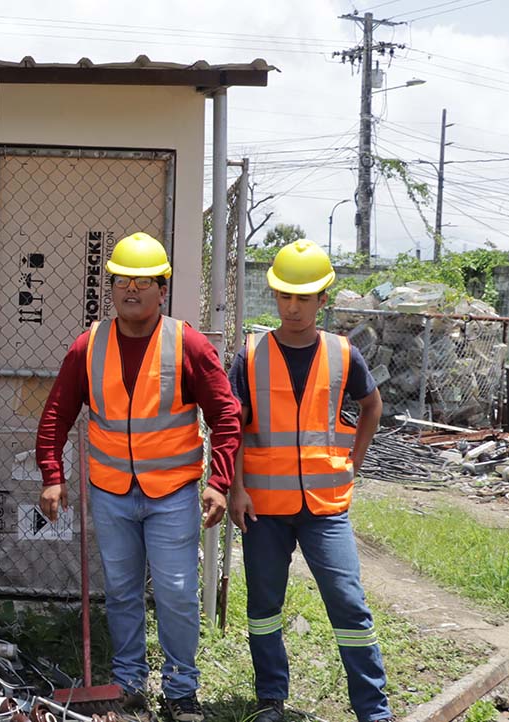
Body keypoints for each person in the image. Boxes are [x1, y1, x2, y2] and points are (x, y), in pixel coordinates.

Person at [36, 233, 241, 722]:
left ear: (161, 288)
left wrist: (219, 480)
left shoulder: (186, 342)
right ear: (111, 287)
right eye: (122, 280)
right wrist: (52, 473)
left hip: (171, 494)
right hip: (111, 493)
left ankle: (180, 689)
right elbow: (56, 415)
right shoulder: (89, 345)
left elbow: (227, 415)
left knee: (175, 591)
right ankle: (129, 683)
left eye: (143, 281)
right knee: (123, 591)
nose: (131, 289)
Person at [228, 239, 392, 722]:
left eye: (304, 297)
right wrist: (236, 488)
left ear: (323, 300)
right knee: (264, 605)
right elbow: (232, 424)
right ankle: (270, 700)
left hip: (325, 507)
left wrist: (352, 464)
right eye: (285, 296)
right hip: (263, 507)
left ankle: (373, 710)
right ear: (274, 297)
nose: (293, 307)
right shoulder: (251, 354)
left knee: (348, 604)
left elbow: (372, 407)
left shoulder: (343, 354)